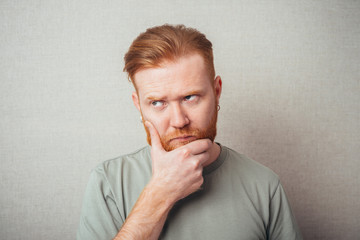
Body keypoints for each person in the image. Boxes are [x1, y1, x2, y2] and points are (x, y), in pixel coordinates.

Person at [77, 24, 302, 240]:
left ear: (217, 91)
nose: (179, 121)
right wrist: (160, 194)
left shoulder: (264, 185)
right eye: (157, 103)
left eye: (190, 97)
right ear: (139, 106)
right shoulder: (108, 181)